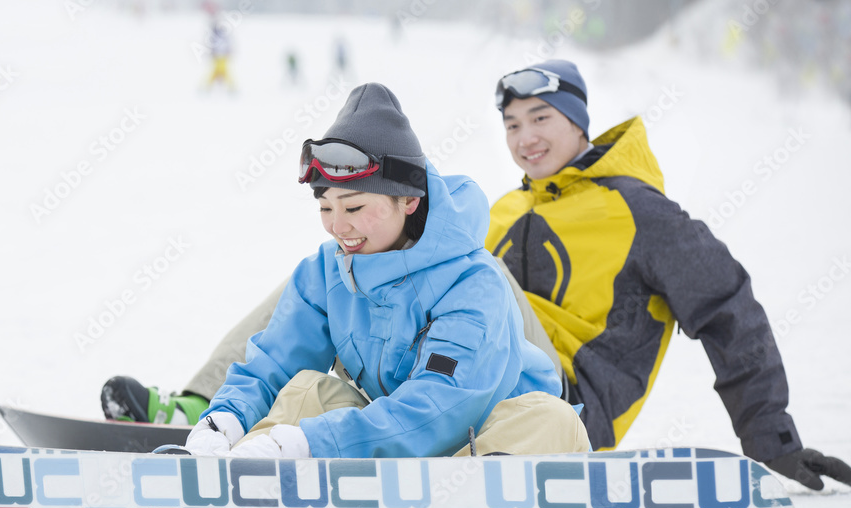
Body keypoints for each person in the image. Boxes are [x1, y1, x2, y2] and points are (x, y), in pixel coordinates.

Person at [104, 62, 851, 490]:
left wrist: (771, 438)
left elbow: (727, 308)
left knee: (368, 256)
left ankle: (229, 417)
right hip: (430, 380)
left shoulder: (640, 214)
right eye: (512, 125)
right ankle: (215, 412)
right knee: (341, 264)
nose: (524, 138)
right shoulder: (501, 210)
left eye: (541, 119)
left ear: (578, 121)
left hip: (548, 394)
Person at [145, 82, 588, 459]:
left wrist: (311, 444)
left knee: (550, 417)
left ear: (408, 200)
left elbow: (440, 406)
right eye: (325, 207)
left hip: (484, 447)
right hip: (388, 451)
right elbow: (274, 362)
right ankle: (237, 490)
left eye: (354, 206)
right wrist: (225, 419)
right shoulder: (328, 271)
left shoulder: (472, 283)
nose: (339, 227)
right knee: (307, 391)